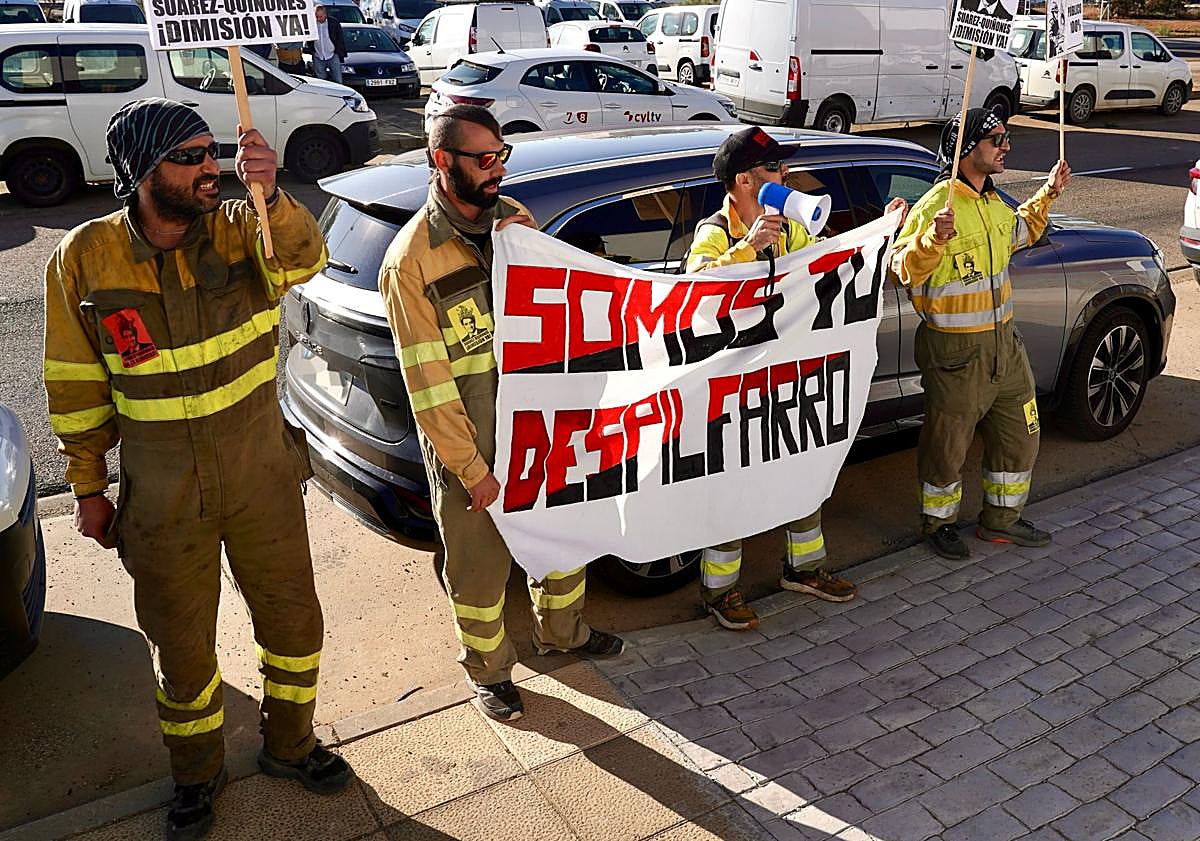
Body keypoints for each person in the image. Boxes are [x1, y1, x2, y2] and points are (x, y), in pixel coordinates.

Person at [42, 99, 351, 841]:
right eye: (188, 158)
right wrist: (87, 486)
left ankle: (291, 743)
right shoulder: (84, 258)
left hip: (259, 474)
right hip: (162, 491)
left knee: (294, 625)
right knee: (182, 651)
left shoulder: (247, 226)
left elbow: (309, 259)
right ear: (145, 172)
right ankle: (196, 775)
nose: (209, 168)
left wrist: (272, 192)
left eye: (211, 151)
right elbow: (74, 384)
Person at [378, 105, 625, 723]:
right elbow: (429, 385)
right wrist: (470, 468)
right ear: (443, 162)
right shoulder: (411, 261)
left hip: (541, 431)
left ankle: (563, 633)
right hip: (473, 443)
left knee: (563, 541)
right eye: (484, 159)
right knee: (479, 570)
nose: (498, 171)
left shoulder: (514, 221)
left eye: (502, 156)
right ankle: (488, 672)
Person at [684, 126, 907, 630]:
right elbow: (696, 296)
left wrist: (881, 232)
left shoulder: (790, 225)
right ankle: (720, 593)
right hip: (736, 388)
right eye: (775, 169)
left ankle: (804, 568)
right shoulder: (715, 232)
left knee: (803, 468)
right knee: (734, 488)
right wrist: (747, 247)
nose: (786, 175)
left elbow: (832, 257)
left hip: (789, 378)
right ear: (745, 181)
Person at [891, 107, 1071, 561]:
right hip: (955, 353)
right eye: (997, 139)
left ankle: (1001, 521)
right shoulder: (936, 207)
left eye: (1006, 137)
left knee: (1022, 432)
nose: (1006, 146)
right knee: (947, 447)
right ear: (968, 149)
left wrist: (1048, 193)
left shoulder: (992, 204)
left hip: (1004, 349)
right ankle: (939, 524)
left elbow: (1020, 231)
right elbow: (901, 271)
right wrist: (931, 240)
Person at [309, 5, 346, 84]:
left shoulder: (333, 22)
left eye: (320, 16)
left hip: (332, 55)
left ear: (325, 14)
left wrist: (338, 52)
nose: (318, 19)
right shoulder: (312, 24)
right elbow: (309, 40)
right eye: (316, 16)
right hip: (318, 56)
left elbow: (340, 38)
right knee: (321, 83)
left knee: (338, 81)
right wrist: (312, 51)